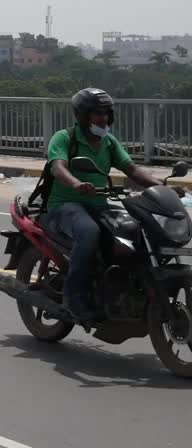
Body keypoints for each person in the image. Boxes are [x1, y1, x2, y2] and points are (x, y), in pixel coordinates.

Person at [45, 87, 159, 319]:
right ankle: (73, 297)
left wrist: (159, 187)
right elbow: (58, 167)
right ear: (81, 115)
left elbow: (131, 169)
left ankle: (127, 284)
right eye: (97, 113)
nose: (103, 118)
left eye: (106, 113)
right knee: (88, 232)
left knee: (134, 228)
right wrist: (76, 184)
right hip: (65, 205)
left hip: (98, 204)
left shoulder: (108, 142)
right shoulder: (65, 138)